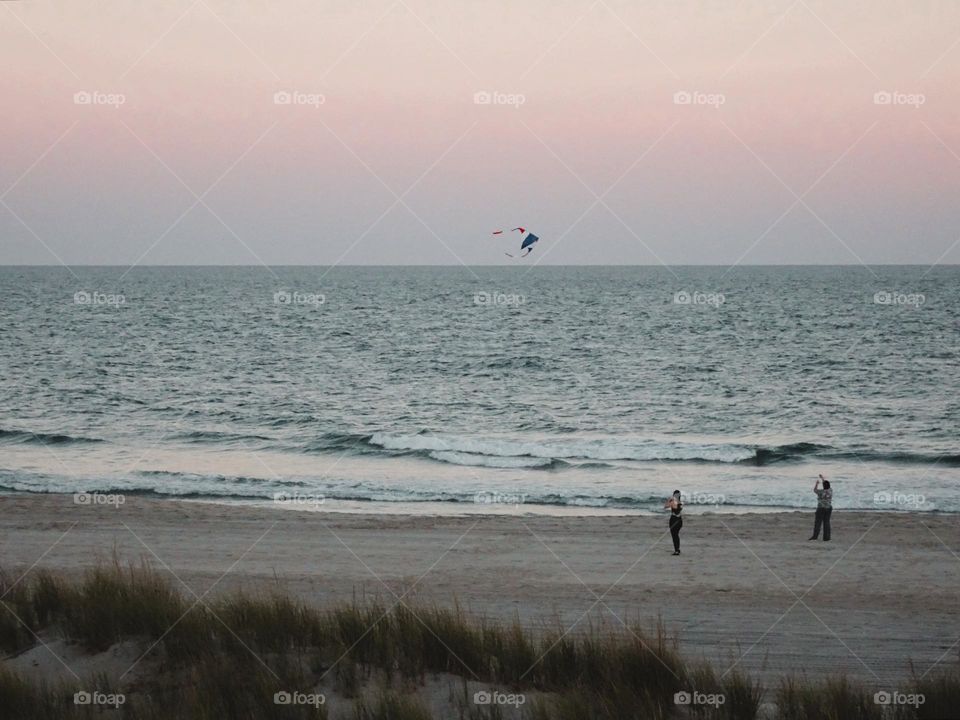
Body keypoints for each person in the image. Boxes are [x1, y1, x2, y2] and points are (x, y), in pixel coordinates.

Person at [809, 474, 832, 541]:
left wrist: (816, 484)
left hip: (821, 508)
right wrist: (822, 478)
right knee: (827, 522)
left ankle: (815, 536)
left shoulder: (821, 492)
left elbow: (815, 490)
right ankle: (826, 538)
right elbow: (826, 484)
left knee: (818, 523)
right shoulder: (830, 490)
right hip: (828, 508)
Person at [664, 490, 683, 555]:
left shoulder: (673, 502)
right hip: (680, 520)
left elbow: (666, 506)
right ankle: (677, 549)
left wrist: (669, 500)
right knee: (676, 535)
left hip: (674, 519)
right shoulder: (680, 502)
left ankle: (676, 550)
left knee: (674, 535)